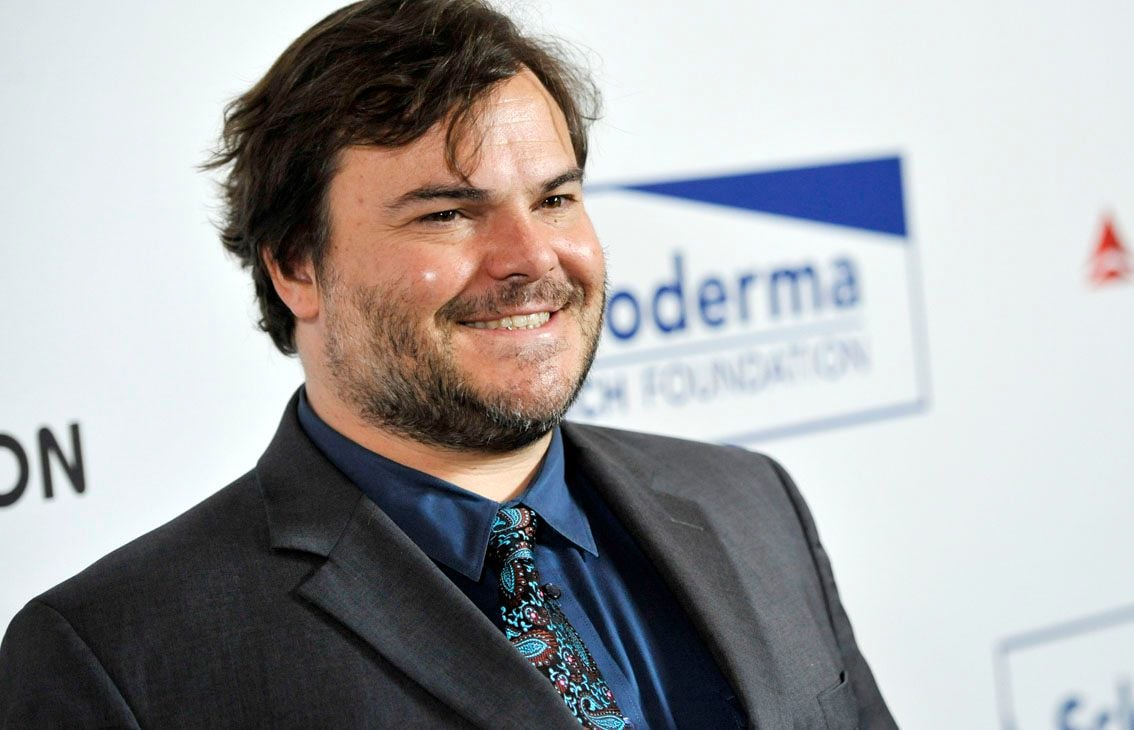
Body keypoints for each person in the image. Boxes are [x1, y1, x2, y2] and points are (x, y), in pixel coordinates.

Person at [0, 1, 897, 727]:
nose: (530, 257)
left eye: (554, 199)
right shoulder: (120, 660)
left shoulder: (750, 503)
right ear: (297, 267)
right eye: (447, 214)